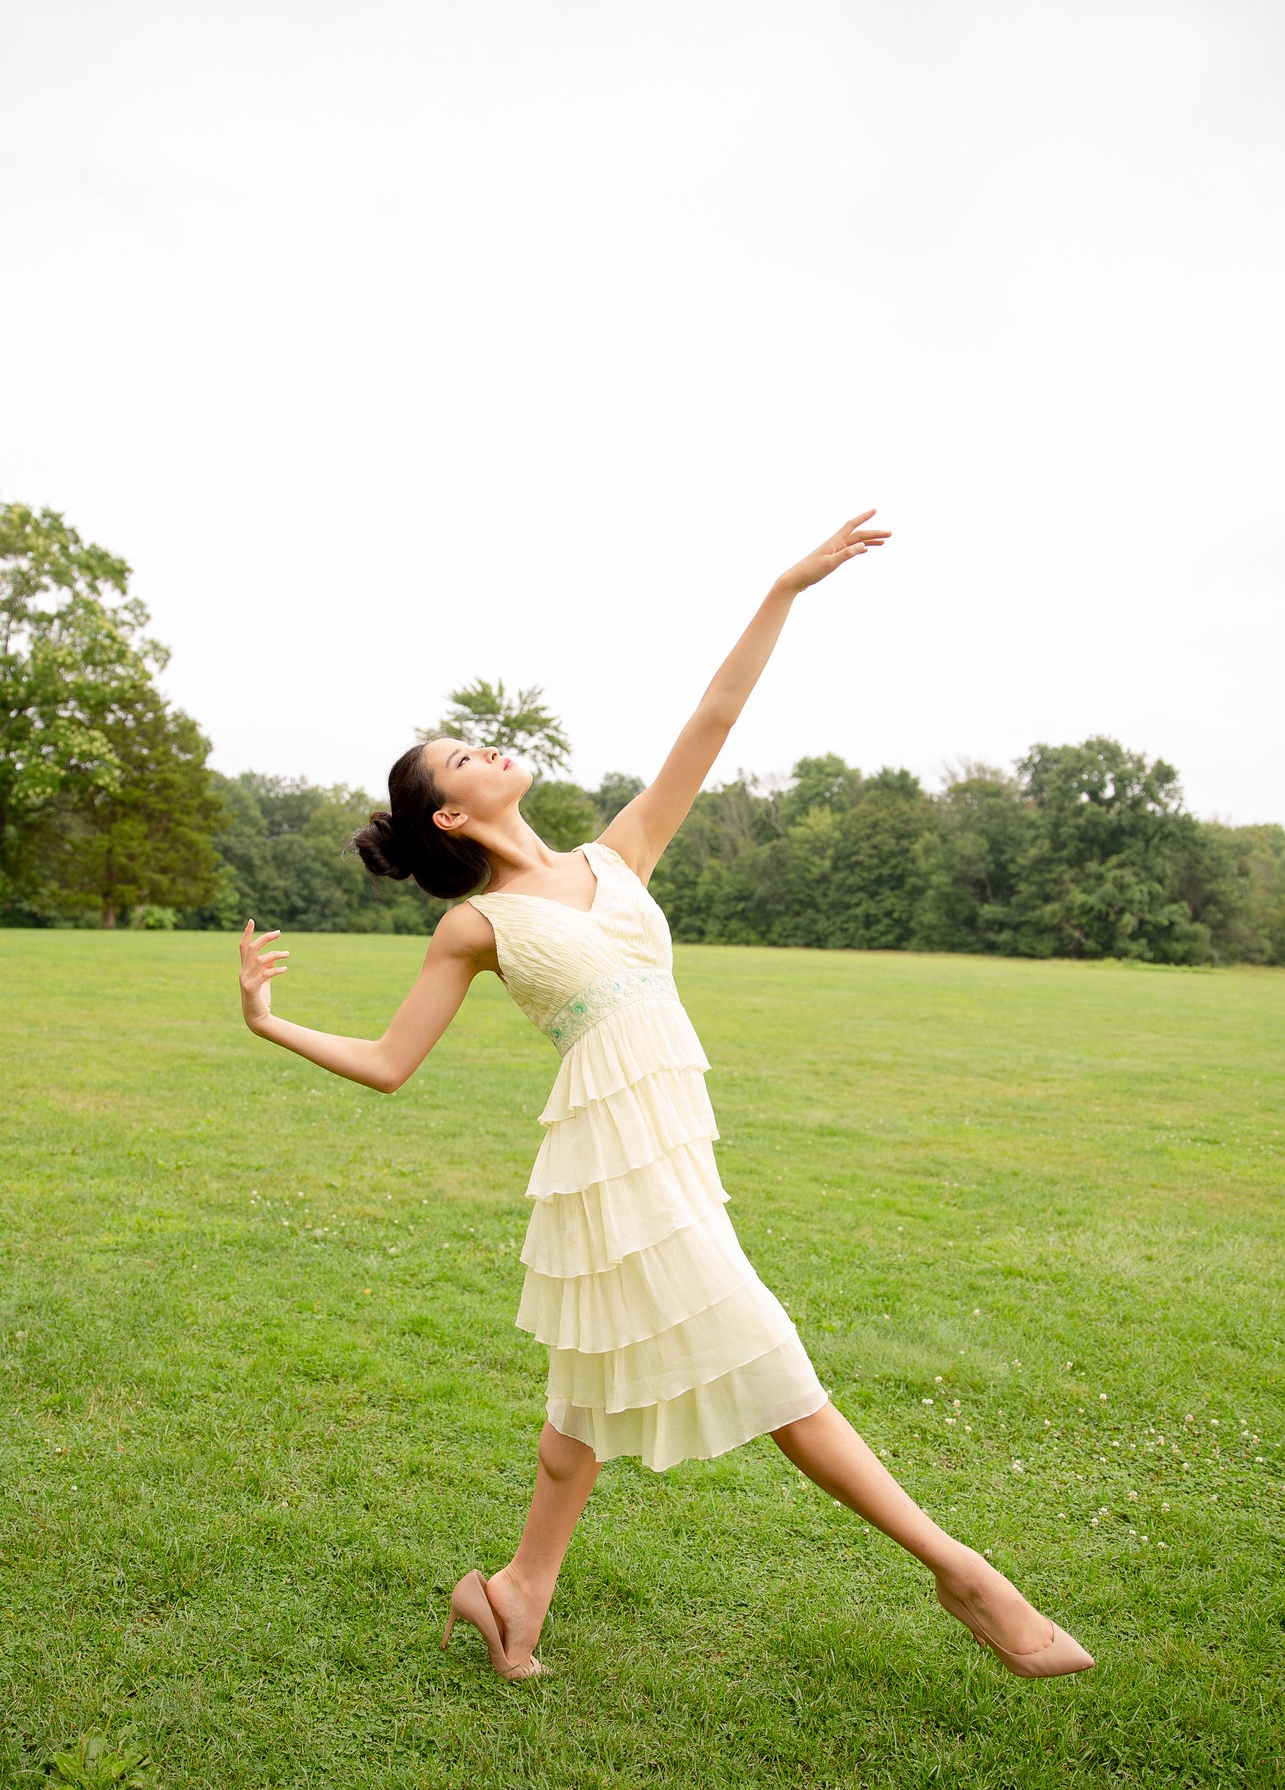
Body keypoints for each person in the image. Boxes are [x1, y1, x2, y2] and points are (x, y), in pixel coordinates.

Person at [236, 512, 1094, 1685]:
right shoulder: (472, 924)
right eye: (465, 756)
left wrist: (784, 587)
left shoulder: (618, 855)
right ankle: (964, 1573)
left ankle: (514, 1594)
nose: (490, 751)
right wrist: (269, 1022)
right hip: (606, 1159)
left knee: (582, 1403)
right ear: (448, 812)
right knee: (766, 1353)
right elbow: (391, 1062)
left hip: (670, 1142)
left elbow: (713, 719)